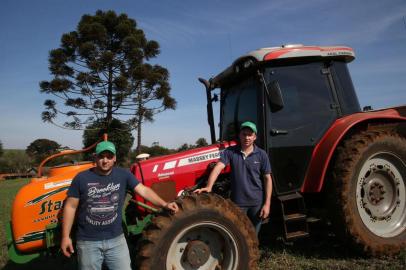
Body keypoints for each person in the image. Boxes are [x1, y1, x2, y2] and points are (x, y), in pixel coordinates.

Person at [61, 141, 179, 270]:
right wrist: (66, 237)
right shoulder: (82, 178)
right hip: (88, 242)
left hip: (116, 240)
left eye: (109, 157)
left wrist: (164, 204)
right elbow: (70, 207)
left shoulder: (123, 175)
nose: (105, 161)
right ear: (95, 157)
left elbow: (143, 190)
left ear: (115, 158)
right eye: (101, 156)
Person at [195, 121, 272, 234]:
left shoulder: (261, 154)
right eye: (244, 134)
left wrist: (267, 204)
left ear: (254, 137)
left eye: (250, 135)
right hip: (238, 203)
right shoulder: (230, 152)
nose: (247, 137)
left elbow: (267, 179)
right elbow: (218, 167)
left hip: (256, 203)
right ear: (239, 135)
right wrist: (209, 186)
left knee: (254, 235)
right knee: (239, 234)